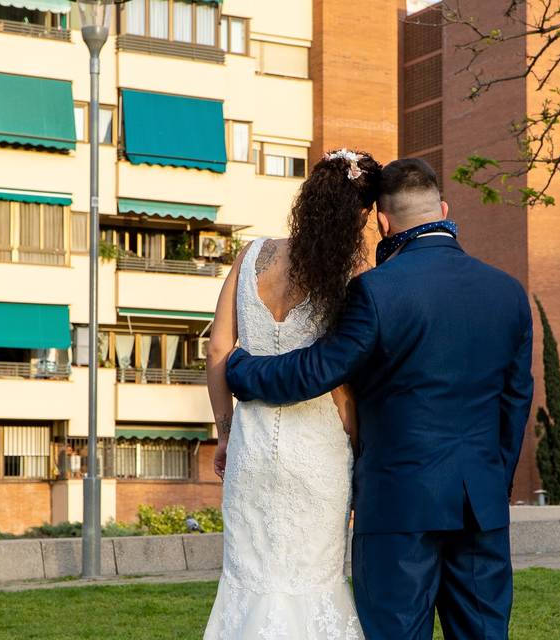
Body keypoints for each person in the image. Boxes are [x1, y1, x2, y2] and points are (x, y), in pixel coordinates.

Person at [225, 158, 534, 640]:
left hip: (397, 506)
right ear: (444, 208)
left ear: (383, 222)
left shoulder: (377, 290)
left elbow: (317, 370)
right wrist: (495, 485)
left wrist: (240, 369)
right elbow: (516, 404)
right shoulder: (509, 292)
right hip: (481, 505)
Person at [203, 149, 382, 639]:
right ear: (362, 214)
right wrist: (357, 442)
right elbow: (343, 380)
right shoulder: (350, 276)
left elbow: (219, 347)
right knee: (314, 579)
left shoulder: (252, 254)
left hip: (252, 449)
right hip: (318, 453)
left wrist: (224, 433)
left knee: (249, 578)